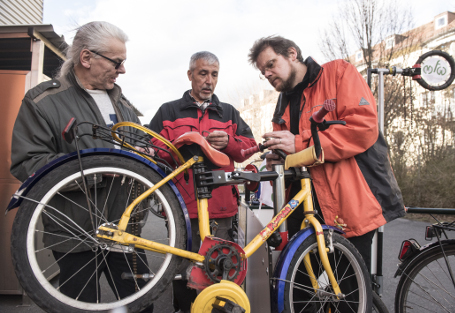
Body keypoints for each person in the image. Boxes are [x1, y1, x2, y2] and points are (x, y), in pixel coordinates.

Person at [248, 36, 405, 308]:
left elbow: (362, 128)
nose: (268, 74)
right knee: (294, 292)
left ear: (292, 54)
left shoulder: (338, 73)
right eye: (263, 72)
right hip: (304, 205)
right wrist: (278, 158)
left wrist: (298, 143)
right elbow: (292, 155)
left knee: (350, 293)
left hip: (348, 202)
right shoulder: (281, 106)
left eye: (271, 64)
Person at [10, 21, 152, 312]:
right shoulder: (43, 102)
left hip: (125, 230)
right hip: (74, 234)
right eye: (117, 62)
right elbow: (27, 164)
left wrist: (145, 153)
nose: (123, 70)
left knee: (142, 303)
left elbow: (139, 148)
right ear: (86, 58)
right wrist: (97, 168)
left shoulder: (123, 104)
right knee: (81, 307)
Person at [147, 51, 256, 313]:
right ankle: (184, 310)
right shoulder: (168, 111)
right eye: (203, 73)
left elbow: (250, 147)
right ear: (190, 75)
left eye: (214, 74)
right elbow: (151, 150)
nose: (209, 80)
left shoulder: (229, 113)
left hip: (221, 208)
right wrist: (178, 145)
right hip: (181, 208)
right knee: (183, 270)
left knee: (220, 267)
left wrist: (229, 142)